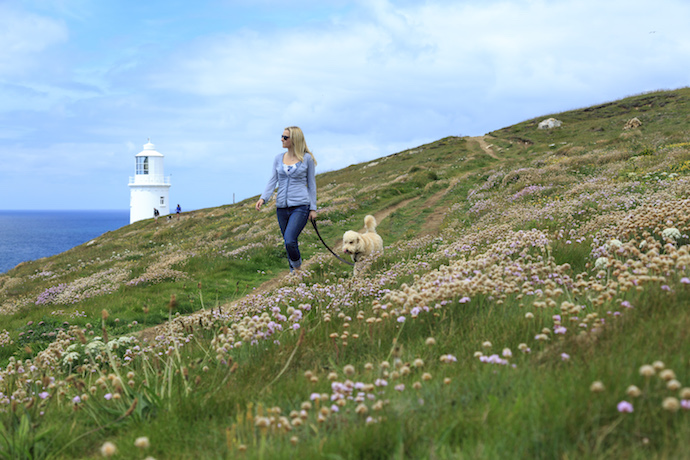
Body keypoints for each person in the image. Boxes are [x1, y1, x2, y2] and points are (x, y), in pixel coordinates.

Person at [256, 126, 317, 273]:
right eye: (282, 136)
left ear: (294, 139)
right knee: (288, 242)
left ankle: (297, 270)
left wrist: (313, 208)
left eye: (285, 137)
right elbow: (273, 180)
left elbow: (312, 184)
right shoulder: (278, 158)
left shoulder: (307, 159)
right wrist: (263, 198)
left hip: (301, 206)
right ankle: (294, 273)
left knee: (290, 240)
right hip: (281, 207)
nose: (282, 139)